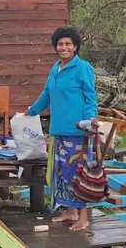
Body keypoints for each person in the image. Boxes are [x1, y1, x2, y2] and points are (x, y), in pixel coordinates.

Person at [26, 26, 98, 231]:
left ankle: (83, 218)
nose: (64, 47)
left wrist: (89, 121)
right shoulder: (55, 68)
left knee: (79, 174)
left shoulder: (82, 67)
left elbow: (90, 97)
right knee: (61, 174)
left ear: (75, 47)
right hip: (58, 131)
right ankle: (70, 211)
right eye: (60, 44)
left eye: (68, 44)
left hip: (78, 132)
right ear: (55, 47)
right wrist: (31, 111)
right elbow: (46, 95)